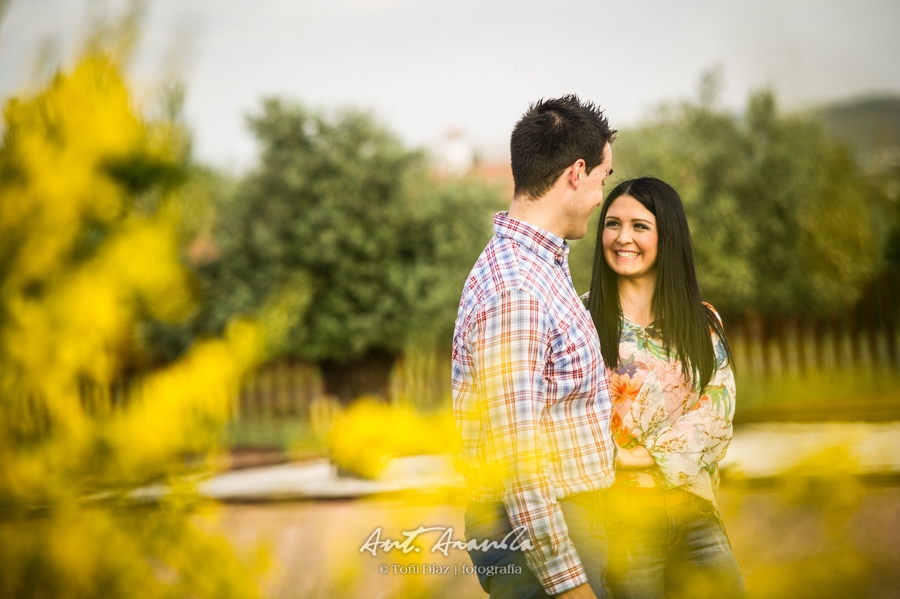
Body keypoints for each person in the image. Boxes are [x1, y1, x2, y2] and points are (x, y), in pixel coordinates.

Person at [452, 95, 617, 599]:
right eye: (602, 181)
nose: (600, 198)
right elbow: (518, 461)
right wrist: (570, 587)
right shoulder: (517, 288)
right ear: (576, 172)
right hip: (541, 534)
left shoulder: (538, 267)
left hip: (556, 523)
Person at [584, 177, 748, 599]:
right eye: (612, 224)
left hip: (695, 514)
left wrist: (637, 457)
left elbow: (717, 413)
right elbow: (570, 417)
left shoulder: (702, 320)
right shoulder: (578, 320)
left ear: (667, 236)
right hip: (624, 525)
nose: (623, 238)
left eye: (640, 226)